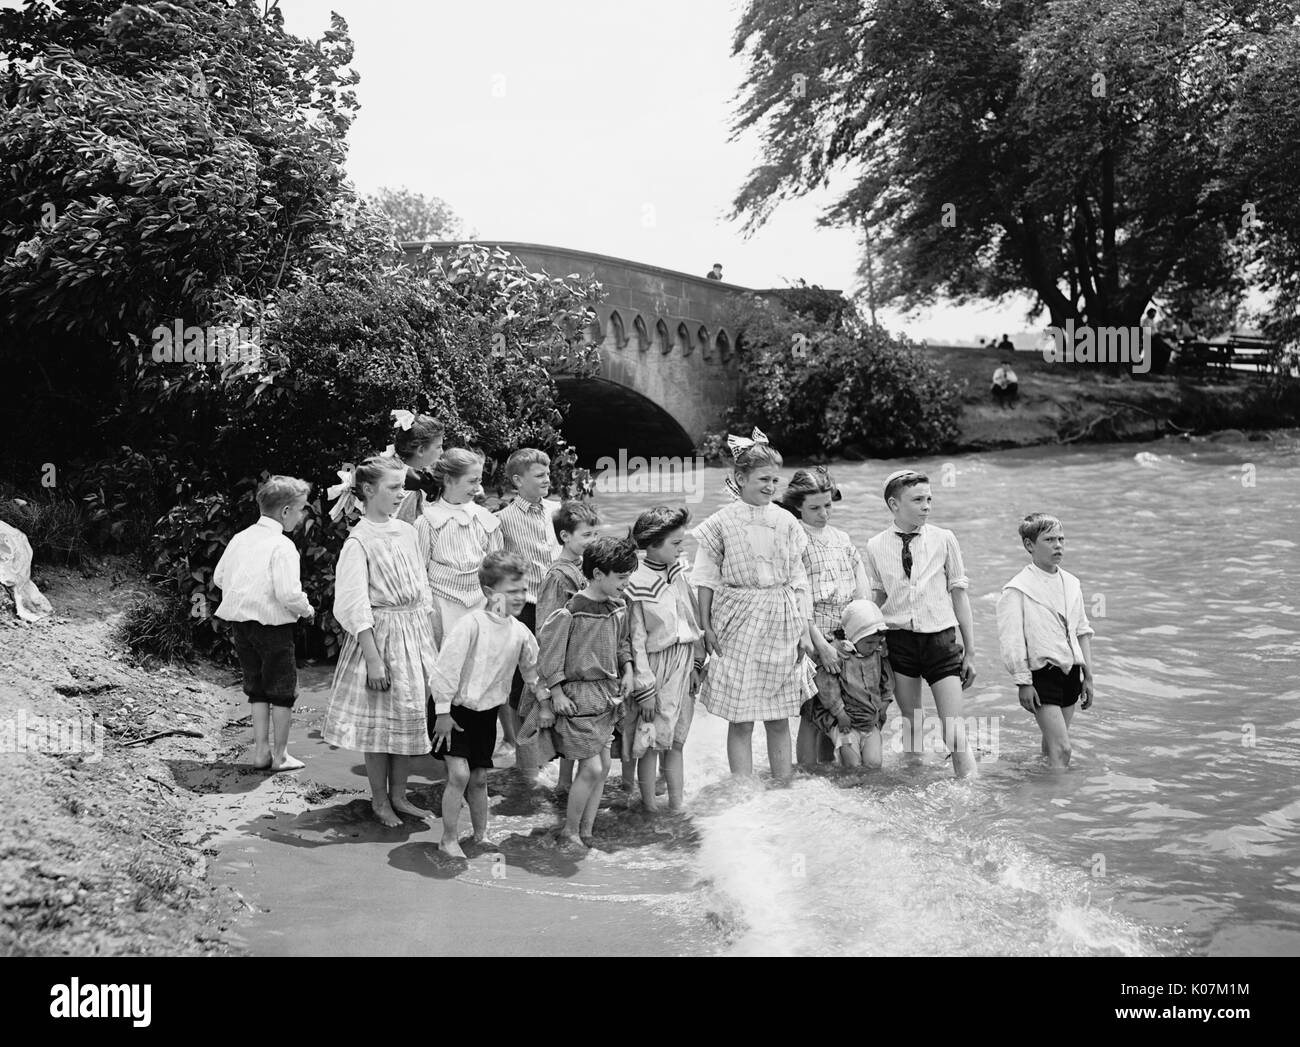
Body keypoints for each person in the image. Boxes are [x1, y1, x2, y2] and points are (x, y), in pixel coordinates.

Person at [322, 456, 438, 827]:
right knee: (379, 725)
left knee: (407, 717)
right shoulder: (359, 541)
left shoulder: (406, 530)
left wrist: (430, 640)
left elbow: (422, 585)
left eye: (401, 486)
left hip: (413, 634)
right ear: (369, 490)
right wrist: (373, 659)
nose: (400, 494)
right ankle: (378, 799)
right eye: (392, 487)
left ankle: (400, 795)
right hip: (381, 638)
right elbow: (353, 604)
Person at [693, 429, 812, 783]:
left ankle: (783, 784)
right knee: (741, 715)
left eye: (775, 479)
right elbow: (705, 579)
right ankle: (742, 788)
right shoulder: (720, 523)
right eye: (763, 479)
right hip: (736, 616)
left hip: (780, 616)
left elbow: (799, 579)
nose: (770, 485)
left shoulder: (787, 521)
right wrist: (706, 627)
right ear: (740, 479)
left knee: (778, 713)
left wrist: (804, 630)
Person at [863, 469, 977, 778]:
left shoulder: (944, 539)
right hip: (899, 642)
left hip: (941, 641)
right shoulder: (874, 546)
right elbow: (877, 596)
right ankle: (914, 787)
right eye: (917, 500)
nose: (926, 506)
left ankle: (970, 790)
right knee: (912, 724)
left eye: (929, 499)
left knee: (954, 728)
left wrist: (971, 652)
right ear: (894, 504)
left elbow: (959, 594)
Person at [429, 552, 541, 858]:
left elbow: (532, 670)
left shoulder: (519, 631)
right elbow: (445, 670)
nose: (521, 596)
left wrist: (545, 698)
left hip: (485, 714)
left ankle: (480, 835)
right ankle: (448, 838)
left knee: (478, 778)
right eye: (513, 590)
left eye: (523, 590)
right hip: (450, 710)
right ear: (490, 593)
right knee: (460, 775)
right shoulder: (471, 624)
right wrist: (441, 712)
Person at [535, 536, 639, 852]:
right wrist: (555, 692)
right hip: (578, 698)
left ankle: (587, 831)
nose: (627, 583)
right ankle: (569, 831)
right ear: (597, 575)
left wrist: (630, 669)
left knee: (604, 768)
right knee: (592, 768)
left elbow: (622, 643)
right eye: (621, 577)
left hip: (607, 696)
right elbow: (549, 654)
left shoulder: (619, 607)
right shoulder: (571, 612)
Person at [213, 475, 315, 773]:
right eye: (300, 510)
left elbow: (220, 577)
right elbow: (288, 593)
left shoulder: (239, 538)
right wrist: (306, 609)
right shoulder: (282, 546)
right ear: (286, 511)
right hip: (273, 628)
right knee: (282, 691)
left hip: (241, 626)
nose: (301, 515)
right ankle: (281, 756)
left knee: (256, 688)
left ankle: (260, 753)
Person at [776, 467, 873, 768]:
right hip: (812, 635)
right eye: (814, 508)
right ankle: (807, 774)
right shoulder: (793, 539)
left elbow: (861, 583)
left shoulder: (842, 538)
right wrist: (820, 644)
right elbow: (795, 596)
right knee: (812, 711)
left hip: (845, 637)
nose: (824, 513)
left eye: (828, 505)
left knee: (839, 708)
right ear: (797, 507)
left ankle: (827, 768)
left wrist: (860, 628)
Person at [996, 513, 1095, 768]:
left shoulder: (1072, 583)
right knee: (1063, 749)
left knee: (1051, 747)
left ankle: (1043, 796)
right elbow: (1012, 641)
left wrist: (1089, 676)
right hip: (1042, 674)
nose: (1058, 545)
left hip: (1071, 671)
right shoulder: (1017, 589)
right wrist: (1022, 682)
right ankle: (1060, 800)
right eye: (1049, 539)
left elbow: (1082, 631)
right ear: (1030, 545)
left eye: (1061, 539)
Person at [624, 506, 705, 812]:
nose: (681, 547)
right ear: (652, 545)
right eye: (675, 543)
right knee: (650, 742)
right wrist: (644, 687)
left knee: (678, 739)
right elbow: (636, 641)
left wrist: (698, 663)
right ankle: (649, 808)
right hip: (655, 667)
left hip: (683, 665)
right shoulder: (635, 583)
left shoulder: (679, 574)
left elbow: (692, 621)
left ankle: (676, 805)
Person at [496, 448, 561, 780]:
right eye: (539, 475)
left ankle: (550, 754)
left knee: (553, 679)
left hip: (558, 608)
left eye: (548, 473)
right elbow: (495, 568)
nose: (547, 478)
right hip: (525, 609)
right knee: (522, 684)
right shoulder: (503, 520)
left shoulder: (557, 510)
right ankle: (526, 766)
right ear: (518, 481)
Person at [536, 499, 602, 794]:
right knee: (571, 732)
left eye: (595, 535)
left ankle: (564, 787)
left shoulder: (583, 568)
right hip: (565, 669)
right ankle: (565, 790)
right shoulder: (558, 576)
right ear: (565, 537)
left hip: (579, 664)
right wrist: (553, 688)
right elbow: (546, 632)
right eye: (586, 535)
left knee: (572, 733)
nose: (593, 541)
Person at [415, 448, 502, 647]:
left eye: (479, 481)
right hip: (442, 610)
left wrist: (499, 615)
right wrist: (428, 616)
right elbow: (419, 575)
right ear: (448, 479)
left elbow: (498, 575)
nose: (478, 488)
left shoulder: (484, 519)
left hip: (481, 607)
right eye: (472, 481)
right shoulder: (427, 522)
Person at [808, 600, 894, 768]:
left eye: (877, 642)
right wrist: (839, 713)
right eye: (869, 643)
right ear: (853, 636)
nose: (874, 647)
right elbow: (827, 686)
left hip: (870, 719)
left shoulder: (877, 653)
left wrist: (884, 702)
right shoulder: (837, 654)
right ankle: (846, 787)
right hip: (845, 722)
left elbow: (887, 679)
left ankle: (867, 792)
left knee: (874, 763)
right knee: (852, 764)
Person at [389, 411, 445, 525]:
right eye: (438, 447)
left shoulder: (422, 476)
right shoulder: (410, 484)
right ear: (420, 450)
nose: (442, 452)